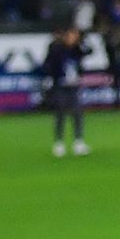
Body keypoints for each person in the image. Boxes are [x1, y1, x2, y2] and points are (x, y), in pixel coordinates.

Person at [40, 27, 88, 157]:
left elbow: (88, 52)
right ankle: (59, 143)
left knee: (77, 113)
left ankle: (78, 141)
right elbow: (47, 64)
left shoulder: (76, 50)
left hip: (73, 85)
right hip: (60, 85)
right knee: (60, 112)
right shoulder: (57, 49)